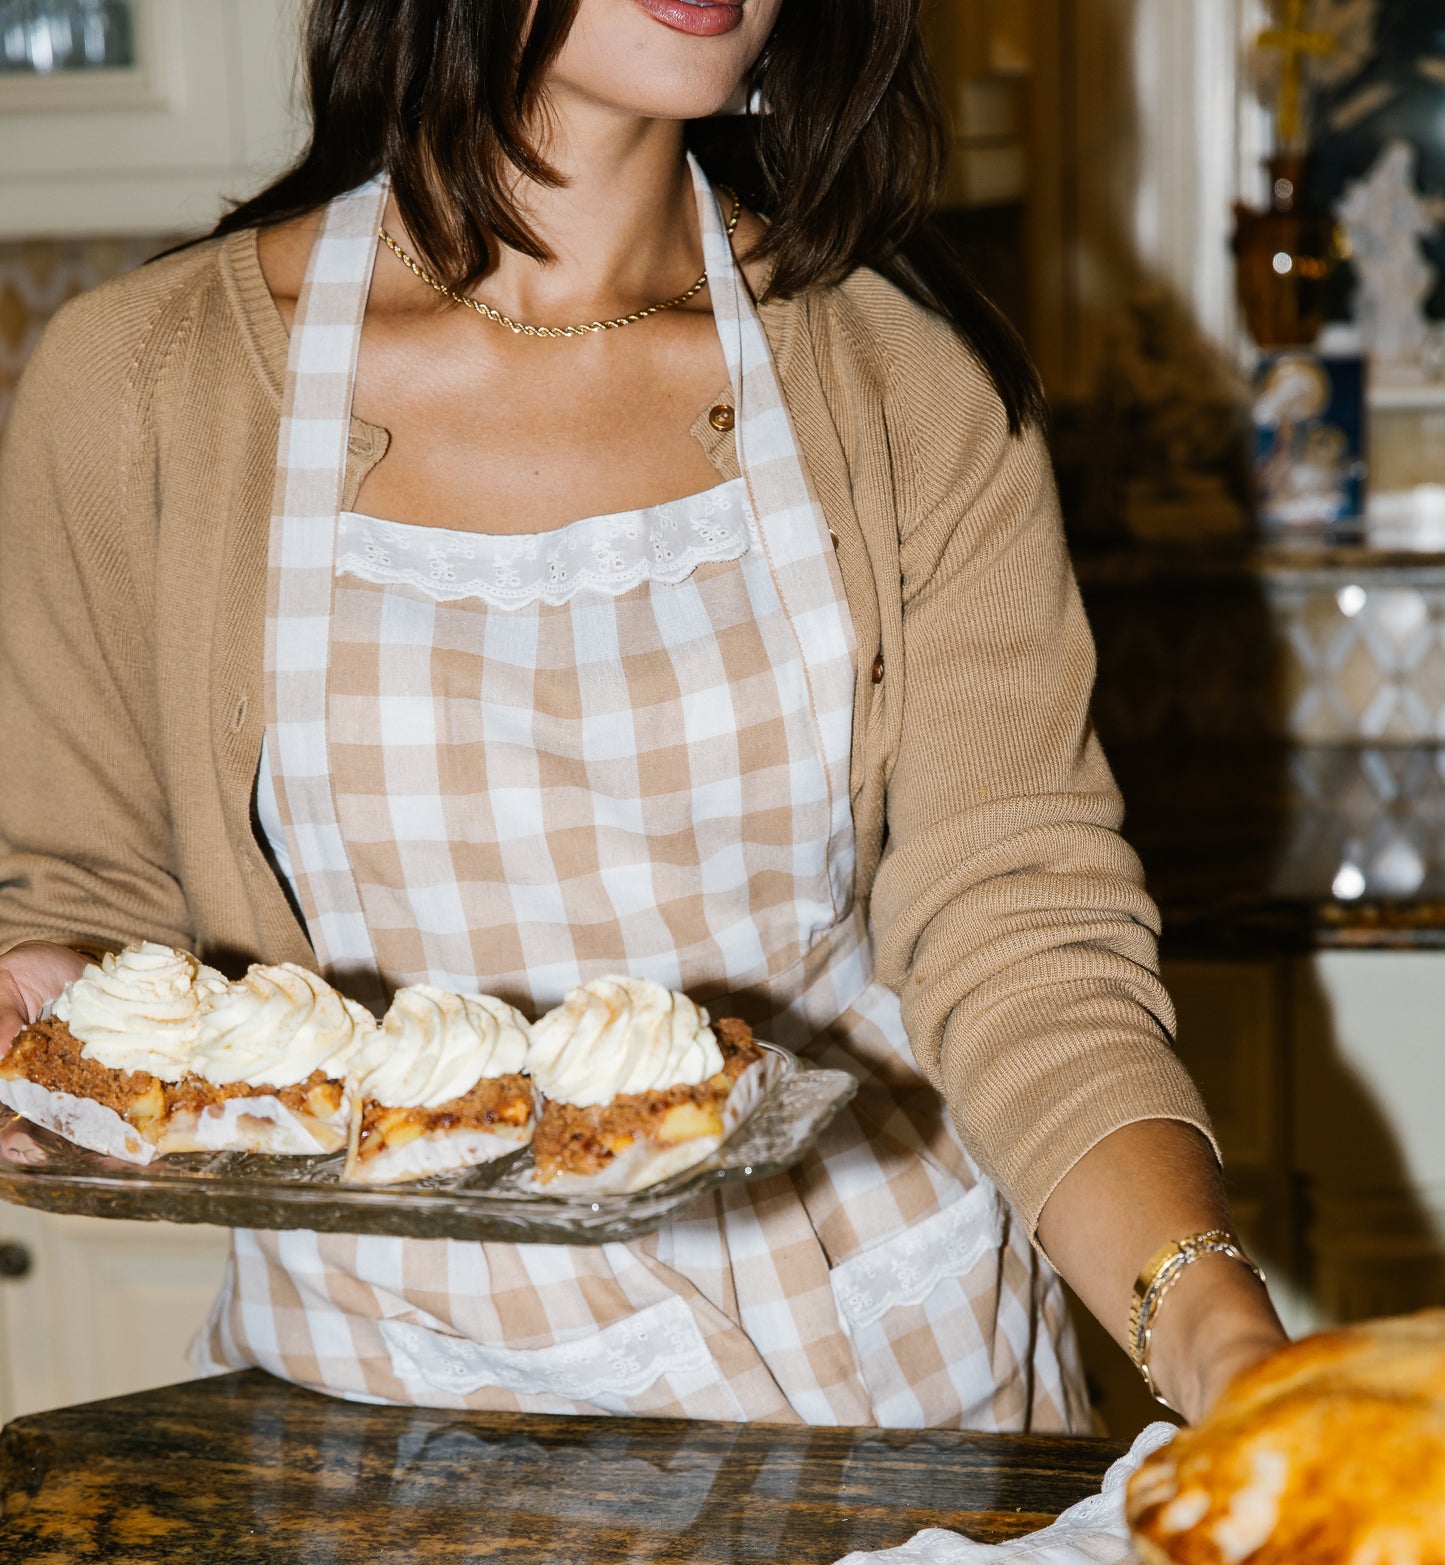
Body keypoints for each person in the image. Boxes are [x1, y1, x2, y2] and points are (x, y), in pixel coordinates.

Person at [0, 0, 1285, 1428]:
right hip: (388, 1406)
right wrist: (48, 998)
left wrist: (1211, 1328)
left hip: (890, 1398)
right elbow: (76, 894)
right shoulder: (141, 385)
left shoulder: (906, 384)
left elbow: (1021, 930)